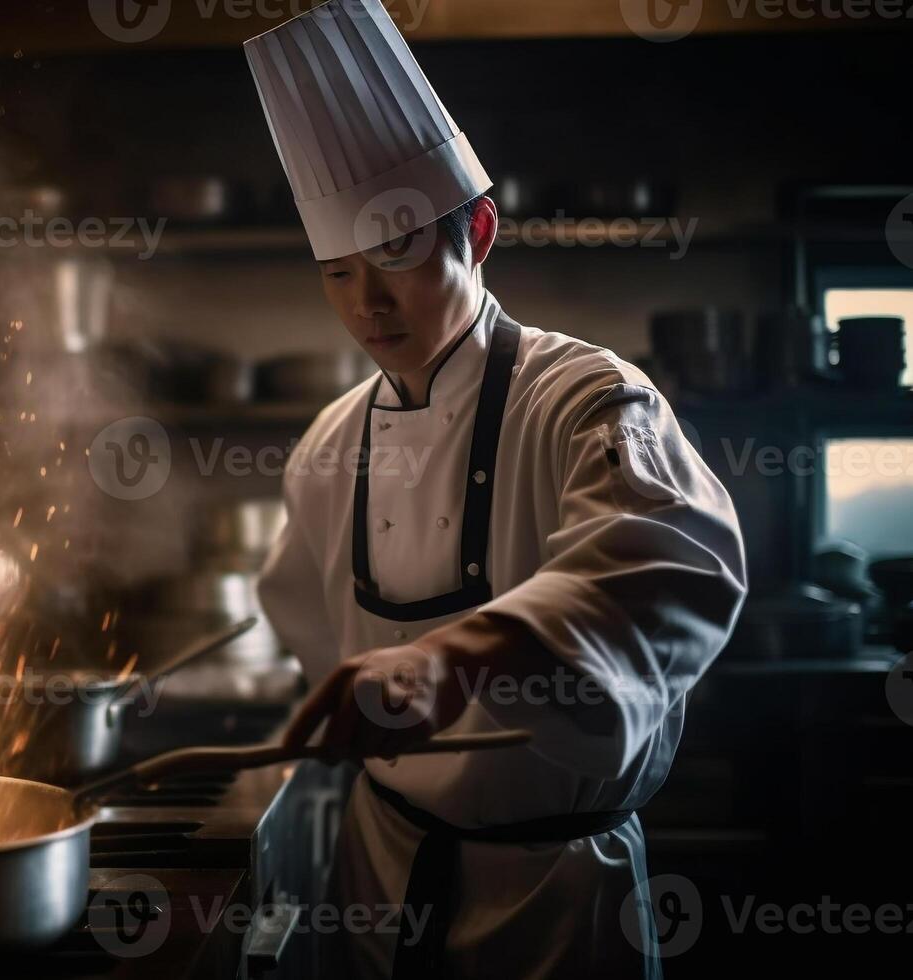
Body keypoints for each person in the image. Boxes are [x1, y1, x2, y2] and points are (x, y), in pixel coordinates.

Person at [246, 2, 748, 977]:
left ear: (475, 229)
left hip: (555, 897)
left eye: (393, 254)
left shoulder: (585, 400)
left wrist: (457, 657)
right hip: (380, 876)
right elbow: (303, 619)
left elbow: (663, 567)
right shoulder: (326, 446)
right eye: (336, 272)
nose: (366, 304)